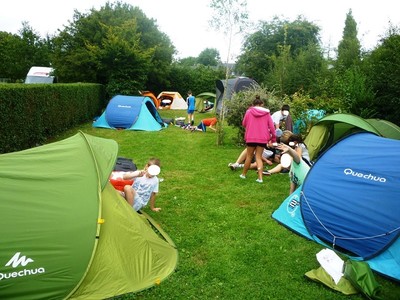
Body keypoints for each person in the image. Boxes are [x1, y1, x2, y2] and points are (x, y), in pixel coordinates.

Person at [240, 97, 276, 183]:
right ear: (261, 104)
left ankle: (243, 174)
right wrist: (273, 138)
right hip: (262, 138)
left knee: (249, 156)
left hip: (251, 137)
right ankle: (260, 178)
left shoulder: (249, 112)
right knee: (258, 157)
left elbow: (244, 123)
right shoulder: (267, 113)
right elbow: (271, 127)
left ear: (253, 104)